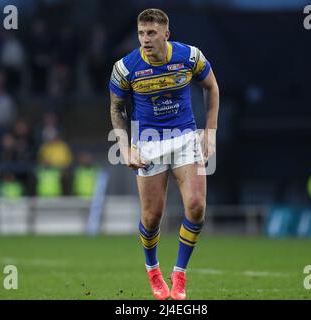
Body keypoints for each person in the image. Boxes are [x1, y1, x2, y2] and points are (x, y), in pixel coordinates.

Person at [109, 9, 219, 300]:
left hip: (184, 137)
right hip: (149, 142)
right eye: (141, 33)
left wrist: (210, 132)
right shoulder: (125, 68)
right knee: (152, 216)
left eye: (151, 33)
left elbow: (211, 87)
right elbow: (116, 109)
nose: (145, 39)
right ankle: (153, 268)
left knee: (196, 206)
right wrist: (125, 148)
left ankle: (179, 273)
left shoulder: (189, 57)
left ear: (166, 34)